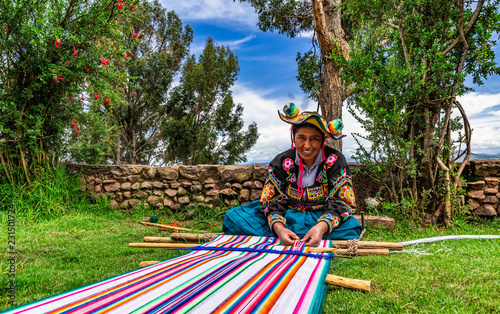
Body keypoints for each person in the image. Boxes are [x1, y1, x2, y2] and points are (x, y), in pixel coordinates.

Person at [223, 103, 362, 246]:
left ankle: (307, 234)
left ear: (322, 140)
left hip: (321, 216)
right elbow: (272, 200)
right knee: (233, 218)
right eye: (301, 138)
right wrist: (279, 227)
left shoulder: (335, 161)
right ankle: (287, 234)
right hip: (287, 215)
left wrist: (321, 227)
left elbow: (342, 202)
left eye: (314, 138)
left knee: (352, 227)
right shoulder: (282, 161)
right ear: (293, 137)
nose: (307, 145)